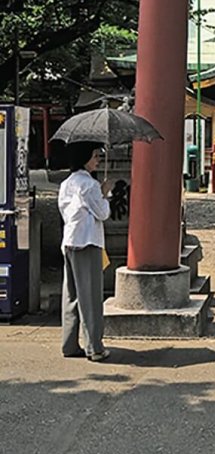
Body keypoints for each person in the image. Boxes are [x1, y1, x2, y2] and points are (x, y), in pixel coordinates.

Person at [58, 142, 113, 363]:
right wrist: (105, 193)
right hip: (87, 242)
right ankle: (95, 347)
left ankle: (69, 343)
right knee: (90, 297)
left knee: (71, 295)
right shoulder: (89, 185)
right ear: (84, 158)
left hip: (70, 241)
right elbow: (103, 213)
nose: (98, 159)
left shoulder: (66, 183)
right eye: (95, 156)